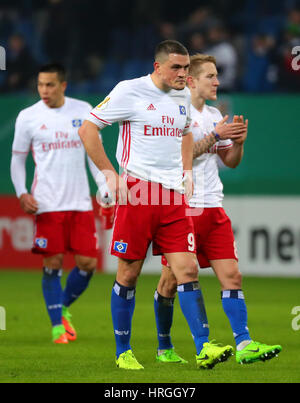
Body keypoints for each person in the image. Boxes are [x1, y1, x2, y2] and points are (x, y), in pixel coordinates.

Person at [78, 40, 247, 370]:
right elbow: (88, 129)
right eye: (176, 68)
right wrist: (110, 174)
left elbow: (185, 134)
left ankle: (203, 347)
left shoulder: (183, 97)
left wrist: (186, 172)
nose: (183, 74)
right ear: (157, 67)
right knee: (129, 273)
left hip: (173, 197)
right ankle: (123, 350)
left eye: (186, 68)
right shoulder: (130, 91)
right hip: (138, 192)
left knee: (187, 269)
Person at [155, 54, 282, 365]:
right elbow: (178, 158)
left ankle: (244, 343)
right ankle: (169, 346)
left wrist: (238, 142)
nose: (217, 82)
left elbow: (229, 161)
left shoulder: (214, 115)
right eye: (211, 76)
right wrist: (216, 136)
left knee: (232, 275)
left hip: (213, 208)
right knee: (174, 280)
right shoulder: (174, 113)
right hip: (183, 209)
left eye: (216, 76)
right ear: (193, 81)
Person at [10, 63, 111, 344]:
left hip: (80, 202)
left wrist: (103, 184)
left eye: (50, 85)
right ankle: (57, 327)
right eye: (41, 85)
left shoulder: (82, 110)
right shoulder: (28, 117)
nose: (44, 90)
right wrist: (21, 192)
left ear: (63, 85)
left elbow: (94, 153)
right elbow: (18, 159)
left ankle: (63, 305)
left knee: (88, 263)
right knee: (52, 262)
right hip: (46, 203)